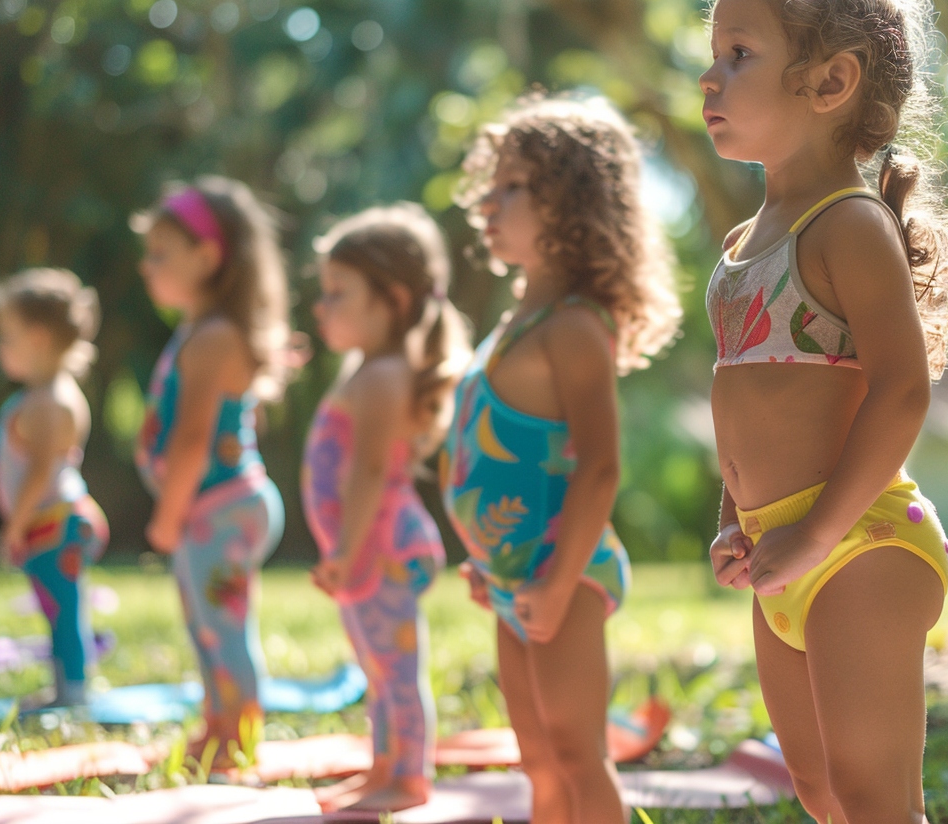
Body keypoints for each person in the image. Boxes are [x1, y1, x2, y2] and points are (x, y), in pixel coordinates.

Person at [701, 0, 948, 820]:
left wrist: (819, 535)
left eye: (739, 55)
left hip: (859, 546)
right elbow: (740, 409)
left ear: (830, 83)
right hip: (780, 546)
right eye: (713, 55)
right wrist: (731, 522)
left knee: (875, 797)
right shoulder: (745, 245)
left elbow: (902, 389)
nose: (711, 78)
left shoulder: (846, 224)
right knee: (821, 792)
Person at [443, 96, 682, 824]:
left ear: (568, 203)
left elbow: (600, 468)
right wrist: (493, 562)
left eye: (510, 185)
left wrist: (553, 579)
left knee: (579, 756)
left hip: (563, 574)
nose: (489, 200)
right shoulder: (519, 317)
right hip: (515, 577)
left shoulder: (574, 326)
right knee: (538, 760)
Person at [304, 203, 469, 812]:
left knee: (396, 670)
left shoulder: (381, 376)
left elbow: (369, 472)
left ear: (393, 300)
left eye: (337, 294)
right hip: (373, 548)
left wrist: (347, 551)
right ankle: (383, 768)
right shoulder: (368, 369)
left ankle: (410, 777)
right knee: (378, 669)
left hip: (383, 548)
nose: (322, 308)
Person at [133, 177, 289, 767]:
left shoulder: (214, 338)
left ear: (208, 255)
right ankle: (219, 722)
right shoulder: (198, 330)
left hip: (219, 510)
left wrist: (168, 515)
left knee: (222, 627)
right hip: (214, 510)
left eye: (160, 254)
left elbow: (193, 440)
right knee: (205, 625)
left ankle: (239, 738)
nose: (148, 267)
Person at [0, 269, 109, 705]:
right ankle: (67, 686)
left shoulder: (50, 401)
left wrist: (14, 527)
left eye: (7, 336)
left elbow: (40, 473)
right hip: (54, 523)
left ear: (38, 338)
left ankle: (73, 691)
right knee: (57, 607)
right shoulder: (44, 394)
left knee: (63, 609)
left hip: (55, 525)